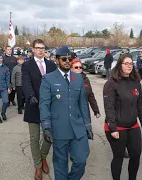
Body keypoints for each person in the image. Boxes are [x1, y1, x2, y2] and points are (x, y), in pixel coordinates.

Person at [40, 45, 93, 180]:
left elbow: (82, 104)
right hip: (59, 128)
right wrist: (46, 126)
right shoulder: (48, 79)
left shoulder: (78, 79)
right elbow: (44, 105)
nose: (68, 61)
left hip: (77, 127)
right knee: (60, 164)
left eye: (70, 59)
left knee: (81, 160)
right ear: (57, 60)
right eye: (64, 59)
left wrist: (87, 125)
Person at [103, 53, 142, 180]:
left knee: (136, 155)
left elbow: (140, 103)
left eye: (131, 63)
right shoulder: (111, 83)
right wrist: (113, 128)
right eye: (126, 63)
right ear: (120, 65)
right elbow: (109, 107)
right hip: (117, 128)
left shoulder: (135, 82)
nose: (129, 66)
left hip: (133, 125)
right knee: (118, 157)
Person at [21, 39, 57, 180]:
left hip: (49, 107)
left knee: (48, 136)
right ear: (33, 49)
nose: (40, 50)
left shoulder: (52, 65)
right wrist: (30, 96)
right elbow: (26, 82)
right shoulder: (27, 65)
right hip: (33, 105)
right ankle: (37, 166)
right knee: (34, 138)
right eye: (38, 48)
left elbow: (56, 83)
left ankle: (43, 158)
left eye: (43, 48)